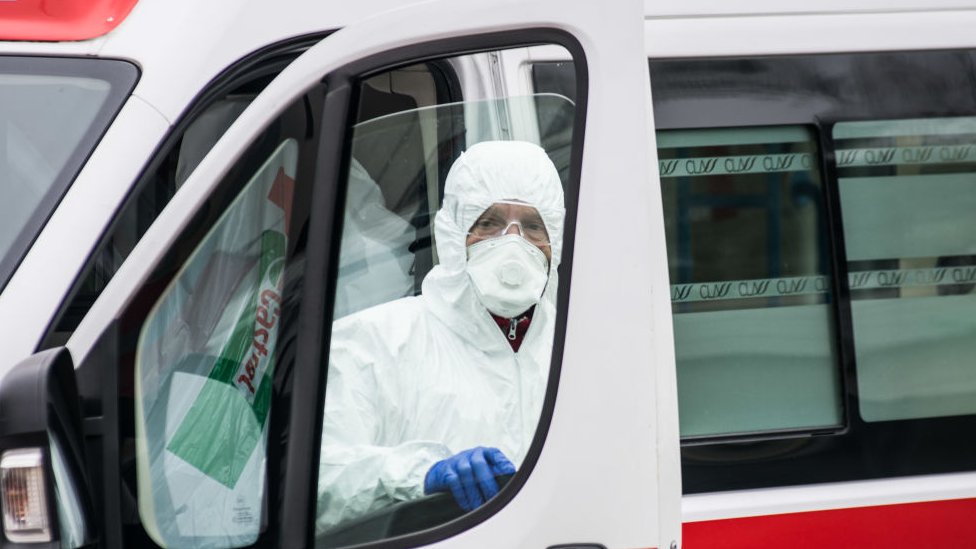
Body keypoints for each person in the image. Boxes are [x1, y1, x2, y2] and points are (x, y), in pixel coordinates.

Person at [316, 140, 565, 533]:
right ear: (452, 234)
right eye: (490, 223)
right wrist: (419, 475)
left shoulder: (578, 353)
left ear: (556, 240)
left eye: (533, 226)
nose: (512, 243)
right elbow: (319, 483)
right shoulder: (373, 344)